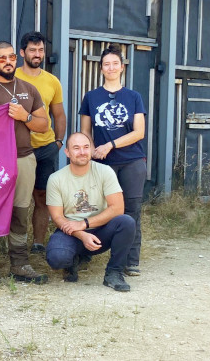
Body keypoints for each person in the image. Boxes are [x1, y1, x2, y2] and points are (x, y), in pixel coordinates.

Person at [0, 41, 50, 286]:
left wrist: (23, 116)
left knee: (20, 210)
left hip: (24, 157)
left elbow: (43, 125)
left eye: (11, 57)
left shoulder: (29, 89)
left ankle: (20, 263)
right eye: (1, 58)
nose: (8, 61)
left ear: (16, 59)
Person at [79, 43, 146, 277]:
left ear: (122, 67)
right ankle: (85, 252)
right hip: (101, 163)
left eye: (115, 63)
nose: (111, 67)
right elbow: (85, 130)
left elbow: (139, 132)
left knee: (131, 211)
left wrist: (111, 144)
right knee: (94, 207)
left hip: (131, 161)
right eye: (106, 64)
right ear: (101, 68)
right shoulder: (91, 97)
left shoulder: (134, 97)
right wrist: (94, 148)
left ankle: (130, 260)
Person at [45, 132, 136, 292]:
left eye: (86, 147)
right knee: (57, 258)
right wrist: (81, 232)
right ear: (67, 152)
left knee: (126, 222)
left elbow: (117, 208)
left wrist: (85, 224)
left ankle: (114, 273)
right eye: (76, 148)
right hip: (70, 232)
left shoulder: (105, 171)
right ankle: (73, 260)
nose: (82, 152)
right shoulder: (56, 178)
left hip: (101, 231)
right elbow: (58, 217)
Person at [13, 31, 67, 254]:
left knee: (42, 196)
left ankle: (37, 243)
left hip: (46, 148)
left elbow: (59, 114)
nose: (37, 54)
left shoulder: (52, 81)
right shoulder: (11, 77)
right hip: (16, 148)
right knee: (14, 198)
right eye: (33, 50)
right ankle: (14, 243)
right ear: (22, 52)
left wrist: (58, 142)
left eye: (41, 50)